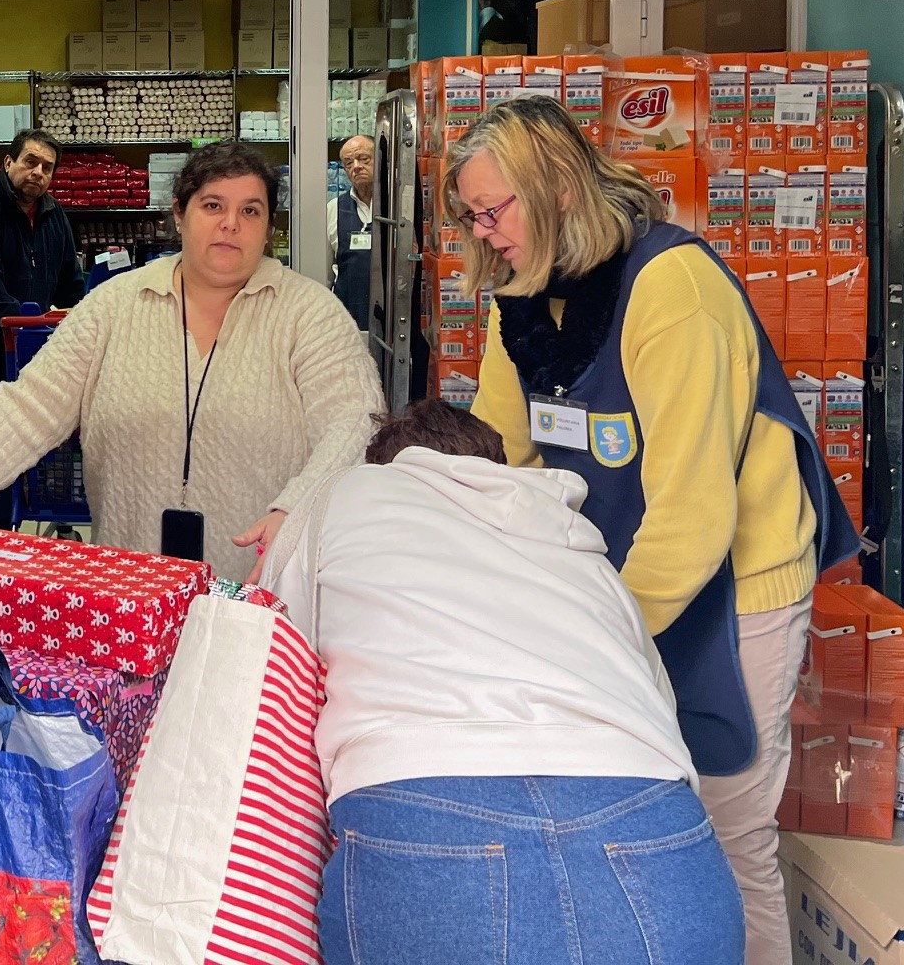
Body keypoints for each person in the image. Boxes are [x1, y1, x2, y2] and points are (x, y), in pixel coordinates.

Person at [446, 95, 856, 965]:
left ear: (554, 186)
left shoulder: (673, 288)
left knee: (726, 837)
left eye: (495, 210)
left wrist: (596, 638)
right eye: (473, 218)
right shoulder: (519, 298)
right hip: (616, 597)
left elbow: (694, 514)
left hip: (732, 595)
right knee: (642, 831)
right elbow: (499, 458)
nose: (484, 234)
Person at [265, 399, 744, 965]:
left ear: (386, 464)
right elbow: (656, 704)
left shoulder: (344, 497)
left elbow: (276, 658)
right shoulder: (582, 549)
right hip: (654, 832)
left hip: (423, 822)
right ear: (498, 465)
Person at [0, 140, 384, 582]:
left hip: (260, 597)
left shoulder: (311, 314)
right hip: (127, 600)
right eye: (212, 206)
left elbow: (356, 421)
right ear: (179, 214)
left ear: (268, 228)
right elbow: (24, 412)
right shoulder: (112, 307)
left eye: (251, 210)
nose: (231, 223)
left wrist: (298, 508)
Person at [0, 127, 84, 396]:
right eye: (30, 162)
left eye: (47, 168)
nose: (38, 172)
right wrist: (22, 326)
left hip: (42, 346)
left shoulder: (54, 212)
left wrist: (69, 326)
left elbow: (71, 281)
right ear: (9, 162)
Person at [328, 134, 376, 327]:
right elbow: (326, 275)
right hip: (347, 321)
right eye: (348, 163)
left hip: (394, 322)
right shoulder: (334, 209)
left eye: (364, 159)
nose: (356, 166)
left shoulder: (400, 207)